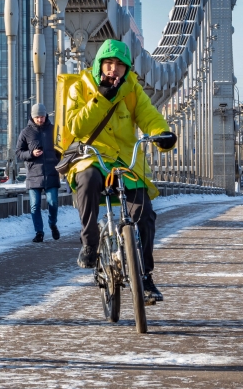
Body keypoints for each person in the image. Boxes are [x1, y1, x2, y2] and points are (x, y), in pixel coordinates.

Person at [64, 39, 176, 303]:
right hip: (92, 158)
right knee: (88, 180)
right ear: (99, 64)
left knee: (145, 214)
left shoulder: (133, 90)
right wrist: (100, 98)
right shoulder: (79, 87)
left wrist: (162, 134)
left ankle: (146, 276)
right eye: (109, 63)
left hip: (125, 162)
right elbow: (76, 127)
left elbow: (149, 116)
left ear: (126, 70)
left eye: (119, 65)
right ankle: (90, 243)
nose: (113, 69)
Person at [15, 103, 61, 243]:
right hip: (34, 174)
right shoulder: (26, 132)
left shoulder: (54, 130)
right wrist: (31, 153)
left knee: (53, 202)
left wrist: (58, 161)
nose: (40, 119)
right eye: (37, 117)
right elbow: (18, 152)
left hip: (51, 173)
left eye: (42, 116)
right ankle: (39, 232)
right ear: (32, 117)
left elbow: (61, 149)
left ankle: (52, 224)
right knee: (35, 206)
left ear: (46, 115)